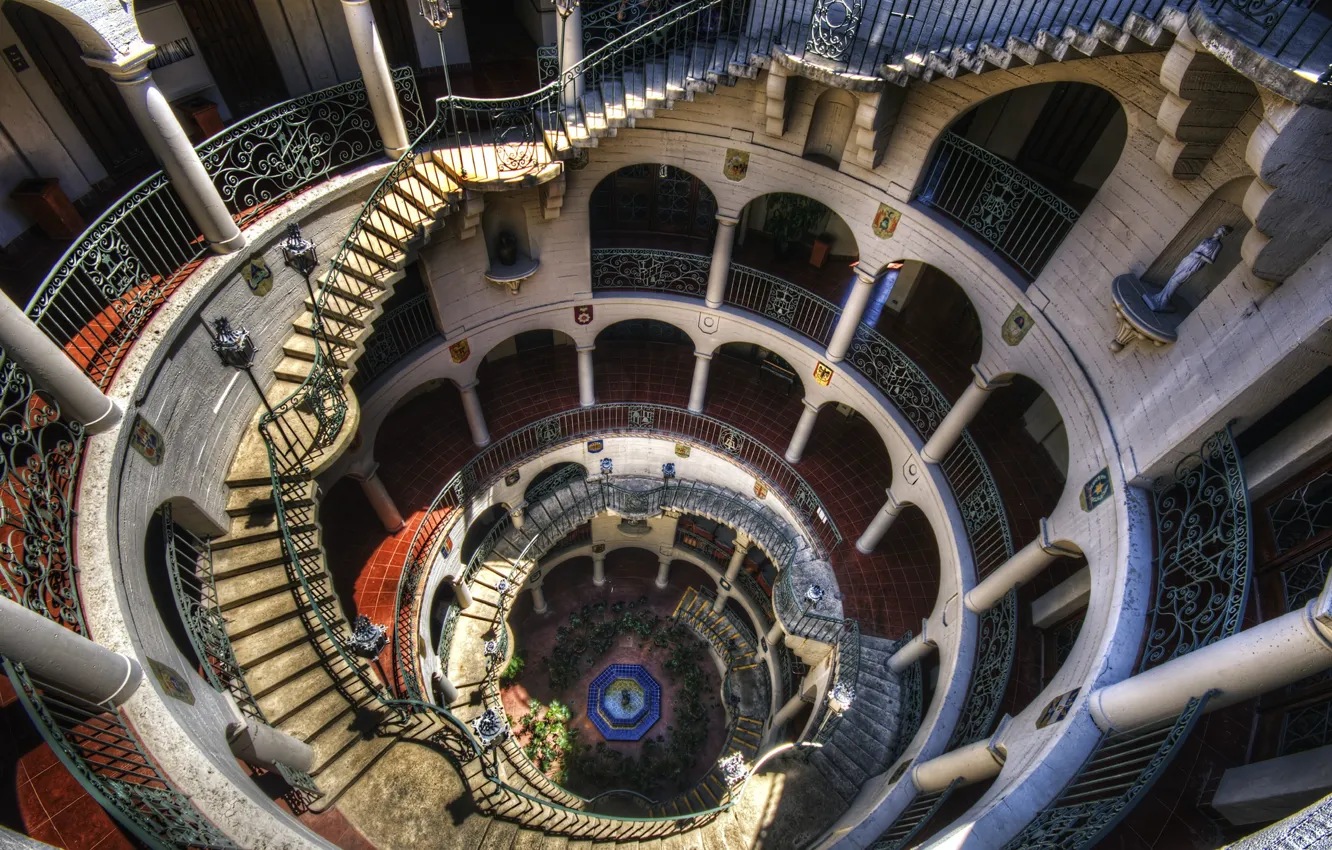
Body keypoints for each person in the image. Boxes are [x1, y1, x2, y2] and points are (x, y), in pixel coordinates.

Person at [1142, 225, 1231, 312]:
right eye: (1218, 228)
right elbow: (1194, 250)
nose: (1217, 231)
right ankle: (1159, 297)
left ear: (1223, 234)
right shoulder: (1206, 239)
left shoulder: (1218, 245)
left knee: (1176, 281)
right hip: (1189, 259)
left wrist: (1200, 256)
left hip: (1195, 264)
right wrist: (1183, 261)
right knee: (1172, 278)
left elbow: (1211, 261)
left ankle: (1163, 302)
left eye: (1221, 230)